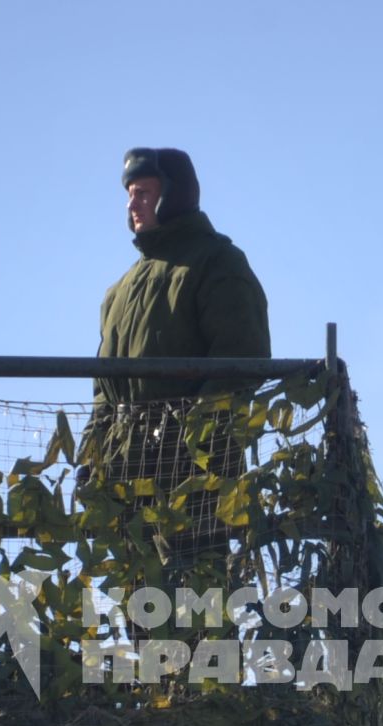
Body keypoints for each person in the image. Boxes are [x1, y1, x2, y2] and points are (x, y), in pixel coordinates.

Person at [83, 148, 271, 566]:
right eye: (129, 194)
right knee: (139, 609)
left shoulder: (217, 261)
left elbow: (242, 359)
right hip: (126, 481)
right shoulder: (119, 292)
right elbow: (103, 391)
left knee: (194, 603)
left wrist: (186, 445)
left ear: (175, 195)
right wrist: (93, 456)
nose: (133, 204)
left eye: (145, 192)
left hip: (195, 480)